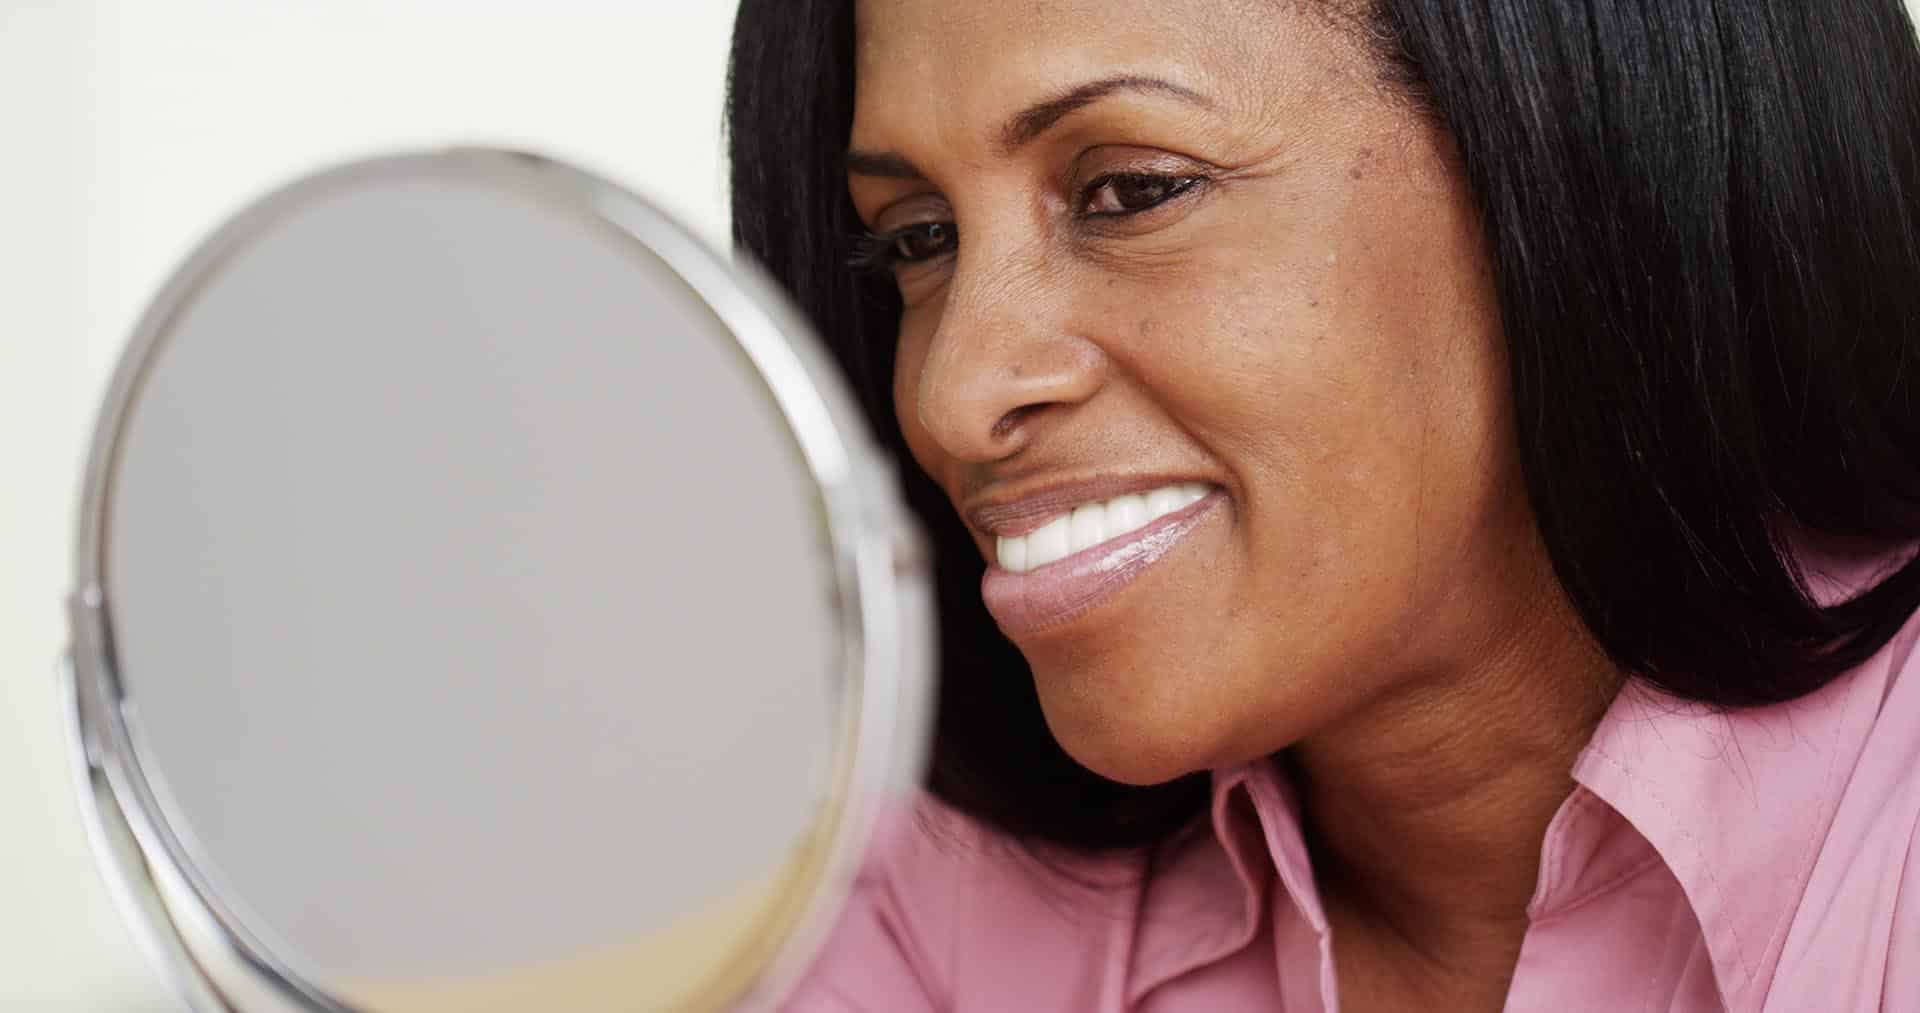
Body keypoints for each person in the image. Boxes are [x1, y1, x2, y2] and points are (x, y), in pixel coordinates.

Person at [726, 1, 1920, 1009]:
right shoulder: (896, 904)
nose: (952, 393)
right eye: (919, 239)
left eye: (1132, 190)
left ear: (1588, 151)